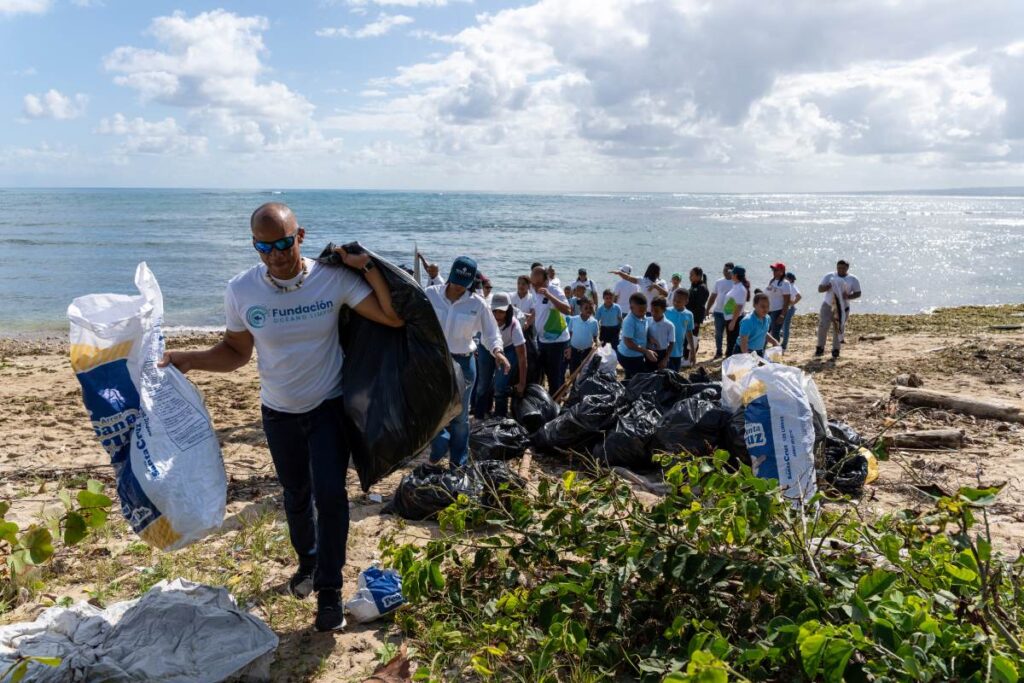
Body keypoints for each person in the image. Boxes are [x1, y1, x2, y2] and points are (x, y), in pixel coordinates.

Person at [158, 203, 403, 632]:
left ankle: (329, 590)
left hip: (328, 407)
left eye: (284, 243)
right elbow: (236, 352)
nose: (276, 255)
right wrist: (187, 360)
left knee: (330, 497)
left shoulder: (332, 279)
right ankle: (307, 564)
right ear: (254, 246)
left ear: (300, 236)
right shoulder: (241, 290)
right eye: (264, 247)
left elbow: (391, 316)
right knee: (295, 495)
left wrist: (368, 268)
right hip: (278, 413)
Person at [426, 257, 510, 466]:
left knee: (460, 418)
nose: (456, 288)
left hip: (463, 364)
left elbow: (491, 334)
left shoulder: (477, 304)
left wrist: (498, 352)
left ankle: (458, 463)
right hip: (435, 362)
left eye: (462, 284)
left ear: (471, 282)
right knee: (434, 411)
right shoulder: (430, 295)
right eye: (454, 281)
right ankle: (438, 449)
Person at [528, 264, 572, 392]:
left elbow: (568, 310)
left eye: (538, 284)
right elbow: (537, 310)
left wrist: (549, 295)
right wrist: (529, 321)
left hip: (557, 341)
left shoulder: (554, 290)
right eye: (533, 284)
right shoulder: (534, 289)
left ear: (546, 280)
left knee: (555, 377)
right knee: (542, 372)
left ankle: (556, 406)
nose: (535, 287)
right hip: (542, 340)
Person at [488, 292, 528, 418]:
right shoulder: (487, 319)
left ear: (508, 310)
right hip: (490, 347)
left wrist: (522, 383)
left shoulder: (514, 325)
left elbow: (522, 357)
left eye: (501, 311)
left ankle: (500, 414)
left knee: (500, 384)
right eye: (494, 311)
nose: (497, 315)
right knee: (484, 382)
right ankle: (483, 410)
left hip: (509, 348)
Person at [816, 259, 861, 359]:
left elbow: (858, 293)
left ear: (847, 268)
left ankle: (836, 349)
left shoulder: (853, 279)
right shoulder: (830, 276)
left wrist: (848, 296)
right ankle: (820, 347)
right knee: (823, 325)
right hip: (828, 305)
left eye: (843, 268)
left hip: (843, 307)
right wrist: (828, 286)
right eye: (839, 267)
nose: (840, 270)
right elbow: (819, 289)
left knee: (839, 327)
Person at [616, 292, 656, 379]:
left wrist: (649, 337)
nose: (644, 312)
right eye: (641, 310)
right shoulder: (629, 321)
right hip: (628, 356)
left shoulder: (643, 316)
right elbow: (628, 343)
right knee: (641, 378)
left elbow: (643, 330)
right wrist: (646, 351)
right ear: (631, 308)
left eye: (645, 309)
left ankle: (627, 385)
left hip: (638, 353)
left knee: (631, 378)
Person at [704, 262, 734, 358]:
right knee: (718, 334)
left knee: (730, 334)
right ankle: (718, 352)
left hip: (730, 313)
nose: (725, 272)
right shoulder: (719, 282)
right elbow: (713, 296)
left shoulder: (736, 282)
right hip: (718, 312)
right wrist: (707, 309)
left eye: (727, 270)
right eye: (724, 270)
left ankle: (729, 353)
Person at [565, 299, 599, 374]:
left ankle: (582, 384)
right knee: (573, 370)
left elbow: (595, 337)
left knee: (585, 371)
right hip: (574, 350)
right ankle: (574, 385)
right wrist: (569, 347)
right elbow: (569, 335)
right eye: (586, 308)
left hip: (587, 352)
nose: (588, 310)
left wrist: (596, 347)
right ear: (580, 309)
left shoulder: (594, 322)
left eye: (590, 308)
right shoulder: (573, 320)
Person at [665, 288, 696, 370]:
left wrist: (693, 352)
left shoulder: (689, 315)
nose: (675, 302)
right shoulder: (666, 312)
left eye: (679, 301)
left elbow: (689, 333)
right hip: (665, 352)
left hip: (678, 352)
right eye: (674, 300)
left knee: (675, 375)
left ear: (686, 301)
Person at [724, 265, 750, 357]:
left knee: (732, 341)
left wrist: (733, 322)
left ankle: (731, 359)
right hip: (730, 318)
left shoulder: (740, 288)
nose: (730, 275)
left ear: (736, 275)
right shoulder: (736, 285)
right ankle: (729, 358)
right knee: (730, 340)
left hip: (735, 318)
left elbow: (739, 306)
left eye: (732, 273)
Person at [645, 296, 675, 372]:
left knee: (661, 376)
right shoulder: (647, 321)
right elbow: (642, 335)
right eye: (652, 310)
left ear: (664, 310)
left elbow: (671, 343)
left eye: (656, 311)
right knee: (649, 375)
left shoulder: (669, 325)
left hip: (662, 353)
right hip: (648, 352)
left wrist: (665, 359)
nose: (653, 313)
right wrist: (649, 338)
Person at [765, 262, 793, 342]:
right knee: (765, 331)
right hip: (768, 310)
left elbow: (787, 301)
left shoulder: (785, 283)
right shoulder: (772, 281)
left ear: (782, 271)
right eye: (773, 270)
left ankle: (777, 350)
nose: (774, 271)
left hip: (778, 311)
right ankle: (762, 350)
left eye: (776, 270)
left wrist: (782, 315)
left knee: (775, 333)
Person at [686, 267, 710, 340]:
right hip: (688, 316)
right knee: (686, 338)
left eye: (692, 275)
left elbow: (700, 306)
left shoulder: (702, 288)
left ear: (699, 276)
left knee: (693, 338)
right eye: (690, 275)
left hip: (695, 318)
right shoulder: (693, 285)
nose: (690, 277)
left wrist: (696, 321)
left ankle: (693, 350)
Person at [781, 272, 802, 351]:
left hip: (789, 308)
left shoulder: (791, 286)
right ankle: (783, 342)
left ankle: (784, 345)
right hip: (789, 308)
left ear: (789, 279)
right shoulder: (792, 286)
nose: (783, 279)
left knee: (786, 327)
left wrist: (792, 303)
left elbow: (799, 296)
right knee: (783, 326)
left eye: (785, 277)